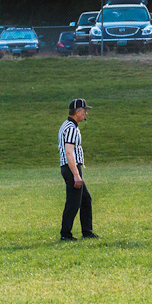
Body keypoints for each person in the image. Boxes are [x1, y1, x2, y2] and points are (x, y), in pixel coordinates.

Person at [59, 98, 98, 241]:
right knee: (73, 202)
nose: (86, 114)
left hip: (70, 168)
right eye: (84, 111)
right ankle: (65, 234)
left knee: (85, 199)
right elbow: (69, 152)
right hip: (71, 168)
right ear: (77, 112)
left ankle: (87, 231)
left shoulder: (68, 126)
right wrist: (76, 174)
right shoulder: (70, 128)